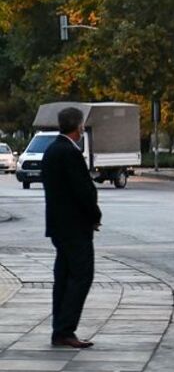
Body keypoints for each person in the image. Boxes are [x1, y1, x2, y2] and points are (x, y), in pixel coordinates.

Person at [41, 107, 101, 349]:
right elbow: (83, 191)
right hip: (75, 227)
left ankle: (60, 330)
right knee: (81, 276)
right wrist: (95, 215)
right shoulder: (69, 152)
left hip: (59, 226)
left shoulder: (52, 150)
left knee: (64, 278)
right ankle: (66, 329)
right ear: (78, 127)